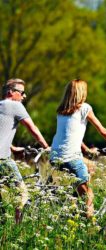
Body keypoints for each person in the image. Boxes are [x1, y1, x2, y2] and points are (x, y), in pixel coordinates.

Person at [50, 79, 106, 218]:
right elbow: (102, 130)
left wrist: (86, 149)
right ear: (82, 93)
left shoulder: (61, 111)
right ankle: (90, 226)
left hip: (55, 156)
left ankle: (73, 201)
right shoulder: (85, 108)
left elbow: (70, 134)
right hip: (71, 157)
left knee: (90, 166)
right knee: (89, 195)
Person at [0, 78, 49, 224]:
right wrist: (46, 147)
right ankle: (17, 228)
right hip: (2, 160)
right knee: (22, 194)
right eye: (22, 92)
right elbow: (32, 128)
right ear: (11, 93)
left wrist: (13, 147)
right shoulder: (15, 106)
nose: (24, 96)